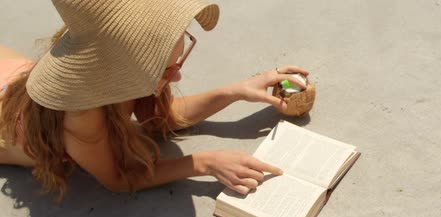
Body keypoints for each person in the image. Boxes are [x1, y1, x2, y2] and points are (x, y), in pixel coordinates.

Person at [0, 0, 309, 201]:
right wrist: (203, 162)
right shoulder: (79, 115)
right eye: (165, 69)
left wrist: (237, 91)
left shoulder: (114, 74)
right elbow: (117, 178)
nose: (176, 79)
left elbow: (164, 117)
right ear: (116, 72)